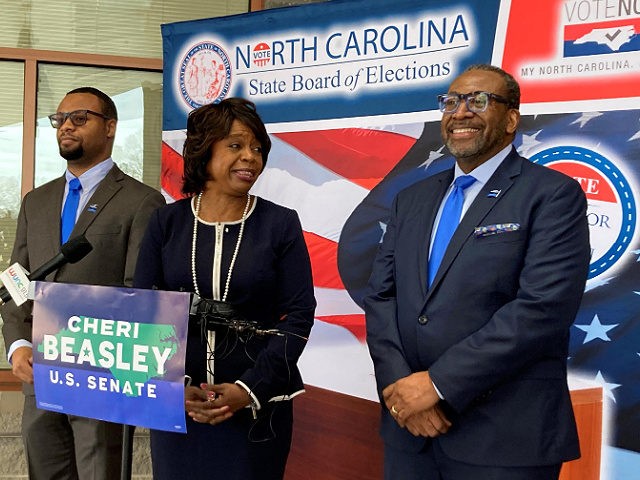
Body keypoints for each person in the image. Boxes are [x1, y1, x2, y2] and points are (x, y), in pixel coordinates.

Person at [364, 64, 590, 479]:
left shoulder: (552, 194)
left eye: (478, 100)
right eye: (451, 101)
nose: (461, 111)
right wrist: (402, 389)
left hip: (504, 436)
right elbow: (381, 297)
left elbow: (543, 307)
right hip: (410, 431)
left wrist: (435, 385)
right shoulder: (410, 199)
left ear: (511, 119)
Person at [133, 97, 316, 480]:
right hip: (179, 407)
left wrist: (247, 389)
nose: (250, 157)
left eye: (257, 148)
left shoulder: (280, 224)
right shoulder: (166, 223)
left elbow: (298, 315)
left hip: (258, 408)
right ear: (204, 150)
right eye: (235, 145)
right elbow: (145, 310)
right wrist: (174, 386)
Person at [1, 86, 166, 480]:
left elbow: (140, 294)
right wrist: (19, 345)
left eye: (80, 117)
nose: (66, 127)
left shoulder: (142, 201)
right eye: (59, 120)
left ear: (110, 127)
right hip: (40, 376)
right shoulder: (35, 201)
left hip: (99, 379)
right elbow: (16, 280)